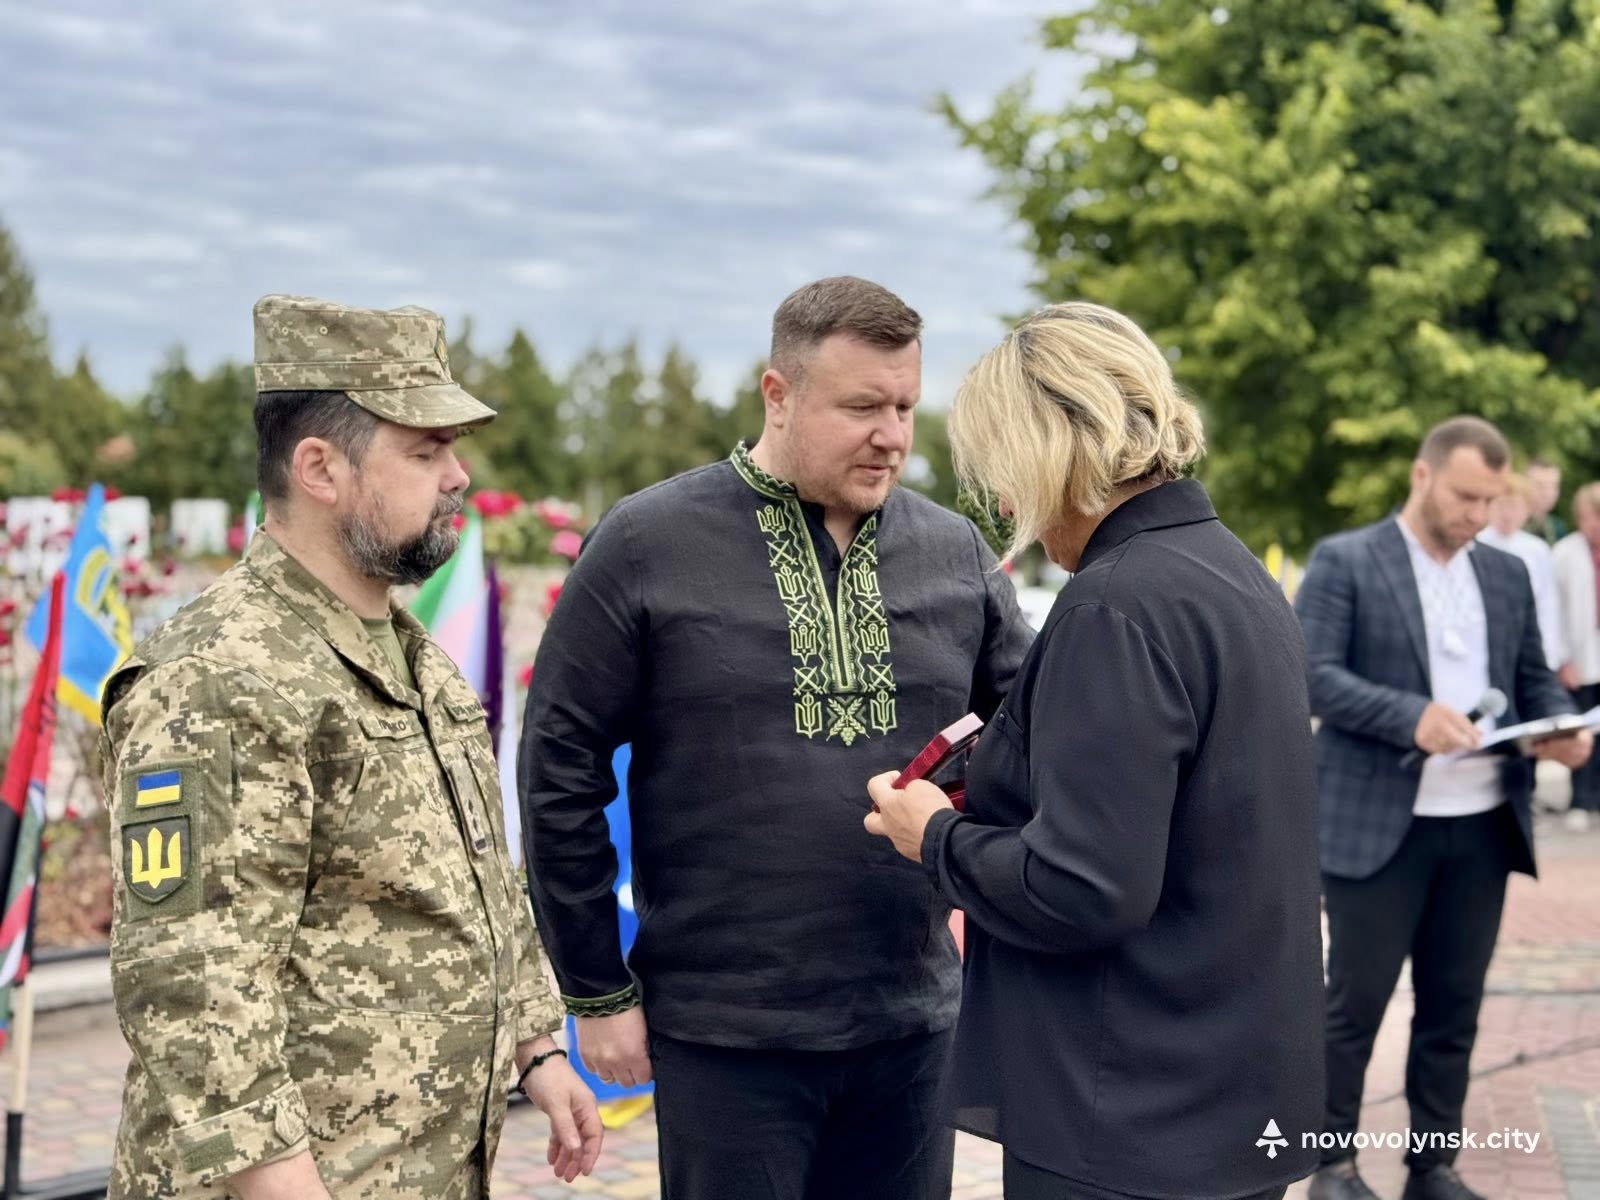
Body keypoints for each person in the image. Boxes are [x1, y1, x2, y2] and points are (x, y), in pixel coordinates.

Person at [519, 275, 1032, 1200]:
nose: (892, 435)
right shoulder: (646, 544)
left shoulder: (955, 552)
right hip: (725, 1036)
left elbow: (1033, 734)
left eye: (906, 407)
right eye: (862, 407)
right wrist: (597, 991)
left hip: (912, 1025)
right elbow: (559, 769)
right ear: (779, 394)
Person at [101, 295, 602, 1200]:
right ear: (320, 468)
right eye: (425, 451)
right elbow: (194, 980)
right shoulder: (221, 676)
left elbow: (477, 882)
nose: (457, 476)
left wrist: (536, 1049)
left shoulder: (414, 659)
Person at [866, 302, 1325, 1200]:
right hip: (1232, 1087)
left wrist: (937, 839)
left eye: (1002, 472)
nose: (1006, 504)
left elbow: (1084, 889)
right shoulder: (1228, 570)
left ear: (1046, 452)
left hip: (1131, 1112)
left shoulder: (1115, 605)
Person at [1295, 417, 1591, 1200]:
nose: (1478, 514)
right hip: (1376, 827)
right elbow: (1311, 674)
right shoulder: (1347, 560)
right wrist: (1411, 716)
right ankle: (1331, 1166)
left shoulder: (1507, 573)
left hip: (1484, 825)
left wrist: (1559, 728)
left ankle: (1433, 1167)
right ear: (1422, 477)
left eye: (1490, 500)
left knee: (1453, 1008)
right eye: (1466, 497)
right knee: (1352, 1007)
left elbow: (1532, 680)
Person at [1476, 472, 1566, 672]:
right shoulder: (1476, 543)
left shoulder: (1538, 549)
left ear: (1527, 509)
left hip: (1528, 644)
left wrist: (1550, 653)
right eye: (1501, 505)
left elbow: (1547, 602)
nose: (1507, 514)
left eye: (1514, 506)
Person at [1550, 482, 1600, 832]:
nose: (1591, 525)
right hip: (1579, 657)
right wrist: (1562, 658)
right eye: (1585, 518)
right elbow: (1553, 612)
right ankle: (1581, 800)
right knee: (1581, 732)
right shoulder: (1564, 553)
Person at [1525, 457, 1568, 544]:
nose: (1548, 493)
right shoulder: (1510, 523)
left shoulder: (1558, 528)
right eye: (1540, 485)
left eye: (1554, 486)